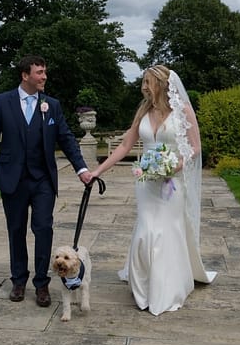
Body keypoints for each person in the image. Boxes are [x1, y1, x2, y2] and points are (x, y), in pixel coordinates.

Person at [90, 65, 216, 315]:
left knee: (166, 233)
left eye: (148, 82)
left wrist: (175, 166)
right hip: (145, 183)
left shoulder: (184, 112)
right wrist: (97, 171)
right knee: (146, 231)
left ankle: (166, 289)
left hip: (172, 183)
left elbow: (195, 147)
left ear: (161, 83)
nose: (144, 86)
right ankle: (143, 286)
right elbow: (125, 145)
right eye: (144, 81)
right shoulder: (143, 112)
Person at [0, 55, 94, 307]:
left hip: (42, 181)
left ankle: (42, 283)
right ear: (25, 75)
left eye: (44, 72)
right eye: (39, 72)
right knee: (16, 231)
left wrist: (82, 169)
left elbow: (66, 138)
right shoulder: (3, 102)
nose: (44, 77)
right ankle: (18, 280)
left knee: (43, 229)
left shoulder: (51, 105)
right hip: (13, 180)